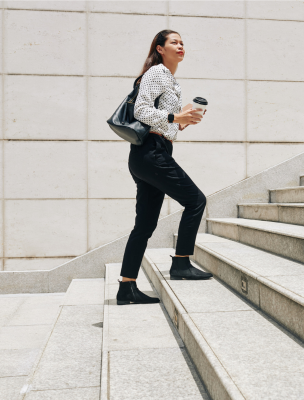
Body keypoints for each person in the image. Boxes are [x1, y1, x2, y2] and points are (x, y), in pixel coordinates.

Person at [116, 30, 213, 306]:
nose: (181, 46)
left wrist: (181, 122)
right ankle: (181, 263)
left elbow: (161, 120)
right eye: (174, 42)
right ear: (160, 49)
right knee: (196, 200)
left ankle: (127, 288)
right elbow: (141, 112)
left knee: (144, 225)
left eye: (183, 42)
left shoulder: (171, 80)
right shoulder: (157, 73)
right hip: (152, 152)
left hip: (151, 152)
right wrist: (175, 116)